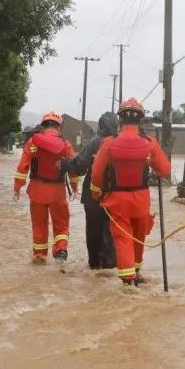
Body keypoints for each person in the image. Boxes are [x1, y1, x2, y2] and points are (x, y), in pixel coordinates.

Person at [90, 98, 170, 286]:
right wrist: (151, 162)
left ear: (120, 119)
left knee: (123, 238)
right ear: (140, 119)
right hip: (141, 201)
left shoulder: (109, 143)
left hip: (116, 201)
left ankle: (127, 282)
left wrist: (95, 193)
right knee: (138, 237)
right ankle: (136, 273)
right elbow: (165, 171)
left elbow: (96, 172)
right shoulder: (150, 143)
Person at [13, 111, 79, 264]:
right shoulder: (65, 144)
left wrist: (17, 187)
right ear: (59, 127)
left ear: (43, 127)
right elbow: (73, 169)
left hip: (37, 192)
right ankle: (61, 250)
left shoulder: (32, 142)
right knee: (61, 225)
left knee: (39, 225)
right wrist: (75, 188)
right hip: (57, 192)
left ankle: (39, 256)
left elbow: (23, 167)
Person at [63, 111, 119, 269]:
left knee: (94, 231)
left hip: (93, 198)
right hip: (115, 196)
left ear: (101, 125)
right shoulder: (120, 142)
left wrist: (64, 164)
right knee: (112, 232)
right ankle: (110, 266)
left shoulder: (94, 142)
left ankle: (95, 266)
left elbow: (79, 166)